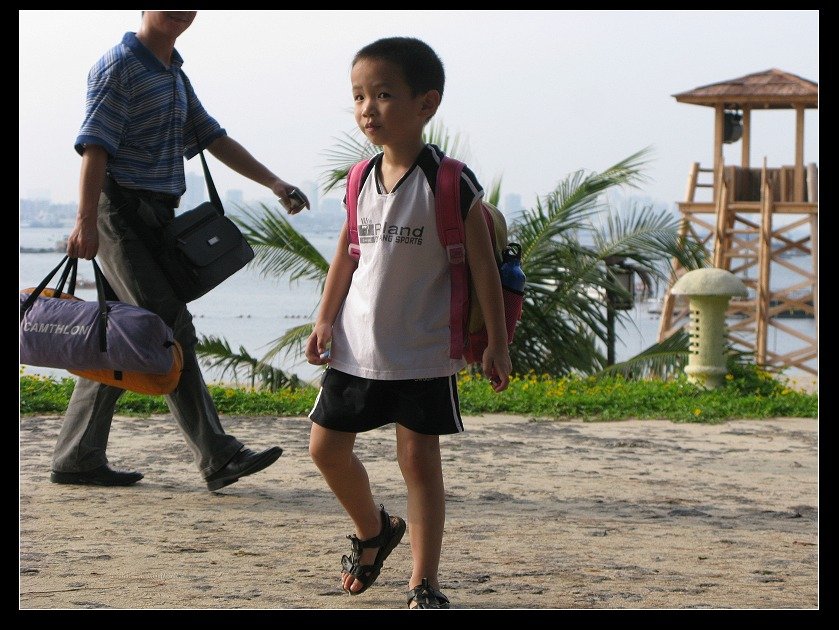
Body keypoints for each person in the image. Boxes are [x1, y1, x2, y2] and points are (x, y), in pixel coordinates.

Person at [52, 10, 308, 492]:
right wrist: (85, 221)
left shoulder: (174, 72)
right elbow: (94, 147)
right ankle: (218, 455)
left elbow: (212, 137)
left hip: (156, 217)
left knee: (117, 333)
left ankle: (77, 457)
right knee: (166, 326)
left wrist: (274, 182)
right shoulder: (119, 65)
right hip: (118, 213)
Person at [305, 37, 512, 609]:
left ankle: (424, 582)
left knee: (419, 463)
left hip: (423, 347)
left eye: (383, 94)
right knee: (325, 449)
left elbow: (484, 269)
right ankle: (374, 530)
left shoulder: (450, 181)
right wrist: (324, 320)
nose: (367, 108)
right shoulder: (358, 179)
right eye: (358, 96)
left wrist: (496, 342)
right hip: (357, 344)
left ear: (426, 103)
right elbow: (347, 254)